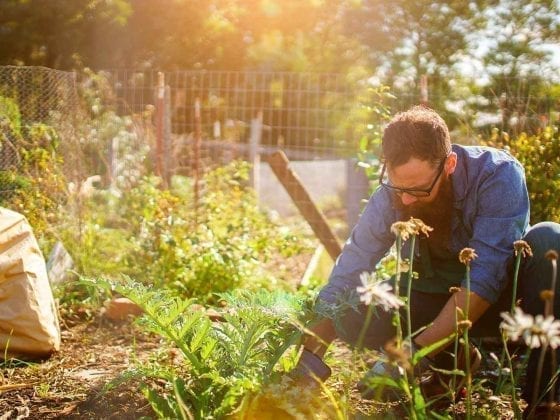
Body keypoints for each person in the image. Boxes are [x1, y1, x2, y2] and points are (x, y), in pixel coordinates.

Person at [291, 106, 560, 416]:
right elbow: (351, 267)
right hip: (432, 298)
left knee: (550, 239)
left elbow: (486, 276)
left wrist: (414, 353)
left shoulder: (497, 174)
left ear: (449, 164)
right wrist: (309, 357)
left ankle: (545, 403)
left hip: (506, 304)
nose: (405, 200)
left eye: (418, 190)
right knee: (349, 311)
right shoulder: (390, 195)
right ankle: (454, 361)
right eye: (398, 187)